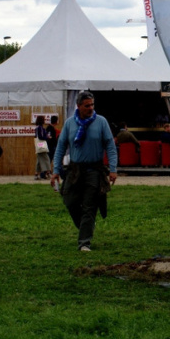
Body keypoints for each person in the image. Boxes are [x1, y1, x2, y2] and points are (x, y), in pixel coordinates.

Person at [51, 91, 118, 252]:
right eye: (87, 105)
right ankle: (87, 225)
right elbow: (61, 147)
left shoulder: (101, 122)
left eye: (92, 105)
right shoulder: (69, 123)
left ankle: (84, 243)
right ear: (79, 106)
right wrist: (56, 170)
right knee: (70, 201)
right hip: (75, 169)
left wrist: (113, 169)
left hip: (94, 170)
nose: (90, 108)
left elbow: (110, 145)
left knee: (90, 206)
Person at [34, 115, 52, 180]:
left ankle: (37, 174)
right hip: (41, 144)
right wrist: (47, 137)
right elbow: (41, 137)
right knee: (47, 159)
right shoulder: (40, 128)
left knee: (39, 160)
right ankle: (48, 173)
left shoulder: (37, 128)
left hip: (38, 144)